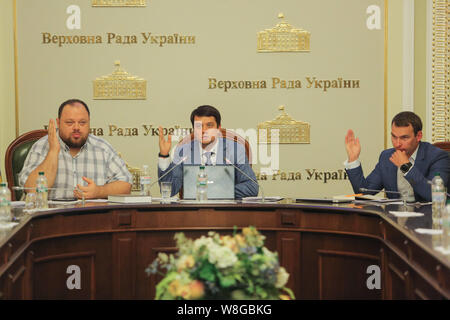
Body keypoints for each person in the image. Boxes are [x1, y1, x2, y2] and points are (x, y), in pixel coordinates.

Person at [19, 99, 132, 199]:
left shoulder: (102, 147)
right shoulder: (42, 146)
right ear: (58, 123)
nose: (76, 127)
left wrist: (99, 191)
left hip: (90, 217)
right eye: (70, 123)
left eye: (82, 123)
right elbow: (32, 190)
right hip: (51, 218)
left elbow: (125, 184)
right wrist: (53, 151)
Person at [344, 111, 449, 202]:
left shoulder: (438, 157)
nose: (397, 144)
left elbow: (435, 196)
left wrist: (406, 167)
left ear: (418, 136)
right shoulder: (386, 157)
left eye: (404, 138)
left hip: (427, 221)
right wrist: (353, 159)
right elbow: (364, 192)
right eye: (394, 137)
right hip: (393, 220)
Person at [157, 105, 258, 199]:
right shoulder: (183, 151)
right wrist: (164, 156)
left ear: (218, 128)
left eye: (209, 126)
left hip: (226, 212)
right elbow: (169, 191)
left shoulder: (235, 149)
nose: (203, 130)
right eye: (198, 126)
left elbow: (251, 187)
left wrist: (213, 191)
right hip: (193, 212)